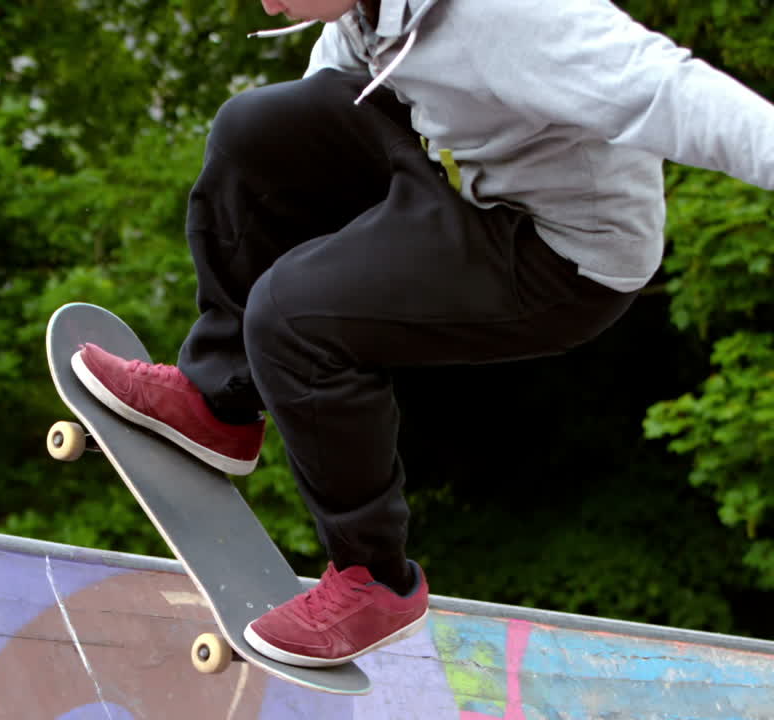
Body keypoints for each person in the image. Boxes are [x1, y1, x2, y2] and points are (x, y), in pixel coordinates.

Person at [71, 0, 774, 668]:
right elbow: (319, 116)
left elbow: (667, 90)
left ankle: (375, 579)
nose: (265, 8)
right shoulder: (368, 12)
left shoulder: (511, 16)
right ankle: (218, 404)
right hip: (463, 180)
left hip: (561, 255)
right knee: (252, 131)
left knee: (293, 316)